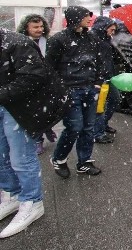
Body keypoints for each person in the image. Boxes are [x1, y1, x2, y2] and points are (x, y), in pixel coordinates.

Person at [48, 6, 105, 178]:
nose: (89, 19)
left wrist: (97, 82)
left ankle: (84, 162)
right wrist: (61, 89)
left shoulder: (92, 38)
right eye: (86, 16)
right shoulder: (58, 39)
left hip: (90, 88)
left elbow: (99, 61)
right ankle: (59, 158)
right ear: (75, 17)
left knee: (88, 127)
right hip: (70, 90)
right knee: (74, 127)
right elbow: (49, 68)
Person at [0, 29, 47, 237]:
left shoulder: (17, 42)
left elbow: (33, 78)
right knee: (2, 156)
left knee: (21, 157)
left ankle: (32, 202)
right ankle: (11, 195)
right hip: (5, 104)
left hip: (20, 108)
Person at [16, 14, 57, 155]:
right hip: (30, 83)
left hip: (47, 82)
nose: (39, 29)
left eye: (41, 26)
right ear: (26, 28)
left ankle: (47, 127)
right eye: (35, 27)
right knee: (36, 113)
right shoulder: (20, 43)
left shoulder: (48, 41)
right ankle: (38, 139)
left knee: (48, 110)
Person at [90, 17, 120, 144]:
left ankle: (103, 124)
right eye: (111, 29)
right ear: (103, 27)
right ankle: (98, 133)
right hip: (98, 79)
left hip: (108, 76)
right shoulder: (93, 40)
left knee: (115, 99)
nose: (112, 32)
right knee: (100, 106)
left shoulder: (106, 40)